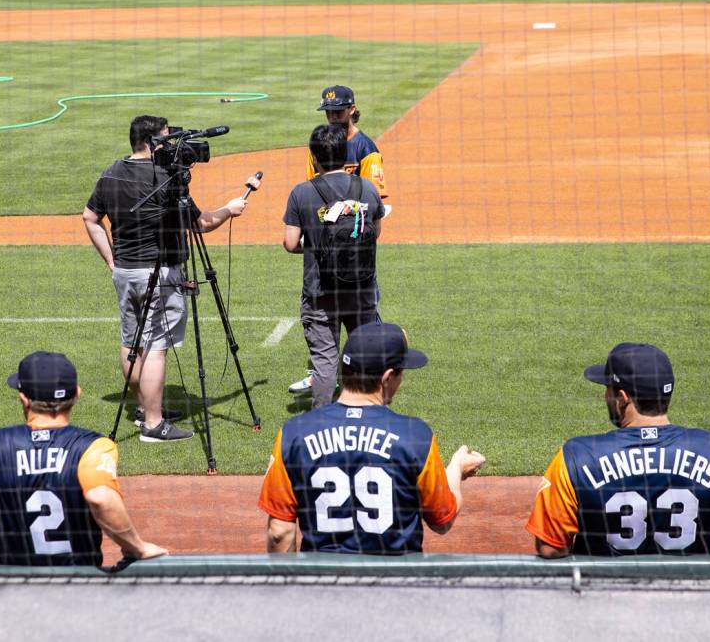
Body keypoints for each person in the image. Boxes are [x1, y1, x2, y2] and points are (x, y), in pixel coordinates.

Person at [83, 115, 261, 442]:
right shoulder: (164, 179)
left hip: (125, 271)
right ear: (152, 143)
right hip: (160, 272)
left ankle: (144, 408)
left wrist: (111, 259)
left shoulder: (111, 172)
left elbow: (90, 217)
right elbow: (201, 224)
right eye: (166, 139)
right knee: (155, 346)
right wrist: (230, 208)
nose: (171, 145)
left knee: (132, 340)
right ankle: (154, 423)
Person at [0, 351, 167, 569]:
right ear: (77, 395)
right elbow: (101, 499)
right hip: (81, 592)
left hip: (14, 595)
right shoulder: (94, 448)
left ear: (23, 399)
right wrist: (137, 548)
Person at [258, 322, 485, 554]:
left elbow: (279, 533)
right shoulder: (415, 437)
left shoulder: (294, 435)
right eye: (401, 373)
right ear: (386, 378)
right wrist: (456, 467)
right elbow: (442, 520)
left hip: (324, 586)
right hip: (393, 586)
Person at [526, 342, 710, 558]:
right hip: (692, 590)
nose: (606, 396)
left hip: (605, 589)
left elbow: (551, 547)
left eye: (608, 389)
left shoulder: (577, 457)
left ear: (622, 398)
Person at [291, 85, 389, 395]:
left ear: (352, 110)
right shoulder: (320, 145)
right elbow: (314, 190)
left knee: (347, 323)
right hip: (326, 240)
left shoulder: (366, 149)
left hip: (353, 244)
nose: (333, 117)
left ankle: (351, 382)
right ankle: (326, 374)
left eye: (338, 111)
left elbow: (372, 201)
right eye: (328, 112)